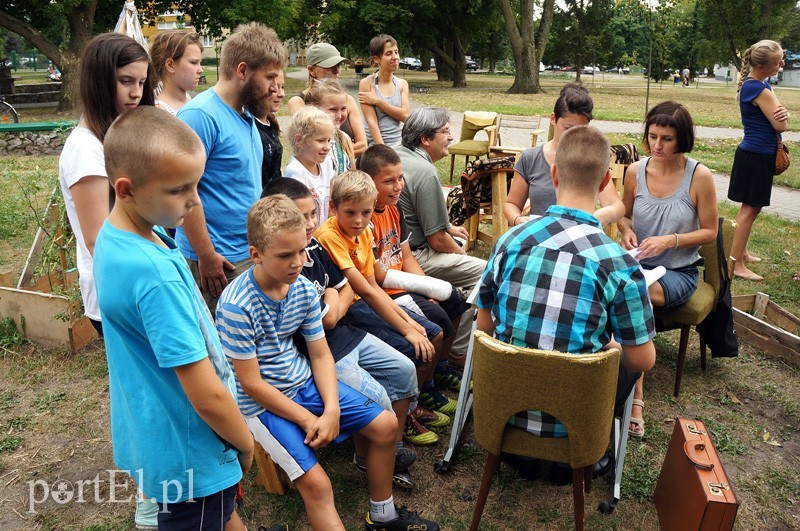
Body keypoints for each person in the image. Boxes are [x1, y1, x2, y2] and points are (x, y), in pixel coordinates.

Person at [216, 195, 440, 531]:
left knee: (385, 426)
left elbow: (320, 353)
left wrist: (332, 409)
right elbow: (251, 384)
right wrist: (309, 419)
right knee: (318, 486)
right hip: (262, 405)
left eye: (301, 251)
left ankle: (382, 514)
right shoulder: (236, 305)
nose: (297, 263)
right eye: (285, 255)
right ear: (255, 255)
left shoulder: (303, 290)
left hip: (303, 382)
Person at [94, 106, 254, 529]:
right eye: (179, 189)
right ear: (126, 189)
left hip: (154, 431)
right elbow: (207, 395)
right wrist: (245, 443)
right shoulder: (154, 275)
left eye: (197, 184)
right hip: (191, 455)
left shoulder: (117, 237)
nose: (195, 200)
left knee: (224, 517)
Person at [477, 125, 656, 482]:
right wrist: (608, 343)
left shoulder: (510, 240)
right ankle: (576, 455)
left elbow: (483, 327)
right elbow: (642, 361)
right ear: (605, 181)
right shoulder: (620, 264)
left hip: (503, 415)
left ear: (554, 173)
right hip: (575, 431)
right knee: (624, 355)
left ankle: (523, 452)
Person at [262, 177, 420, 488]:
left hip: (346, 334)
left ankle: (391, 447)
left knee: (404, 370)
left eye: (312, 214)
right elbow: (328, 318)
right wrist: (334, 302)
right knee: (376, 397)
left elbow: (342, 291)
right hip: (323, 352)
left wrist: (334, 301)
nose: (311, 223)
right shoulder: (287, 265)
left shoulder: (313, 247)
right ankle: (369, 455)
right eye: (301, 217)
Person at [314, 171, 458, 437]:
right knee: (413, 349)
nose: (359, 220)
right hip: (349, 310)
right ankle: (405, 415)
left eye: (366, 213)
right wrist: (407, 330)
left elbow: (373, 286)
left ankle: (416, 401)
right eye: (350, 213)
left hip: (366, 301)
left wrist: (411, 323)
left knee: (430, 333)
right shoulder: (329, 236)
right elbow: (365, 291)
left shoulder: (364, 231)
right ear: (333, 207)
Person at [618, 101, 718, 437]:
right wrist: (625, 229)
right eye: (652, 136)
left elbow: (710, 232)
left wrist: (670, 241)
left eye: (667, 139)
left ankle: (635, 396)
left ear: (682, 139)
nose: (657, 145)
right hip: (638, 263)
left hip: (678, 272)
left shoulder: (699, 176)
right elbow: (623, 215)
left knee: (633, 293)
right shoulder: (635, 171)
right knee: (623, 287)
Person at [176, 23, 286, 312]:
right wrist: (206, 255)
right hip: (219, 262)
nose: (274, 88)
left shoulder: (248, 113)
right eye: (269, 77)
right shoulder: (200, 116)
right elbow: (182, 191)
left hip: (247, 252)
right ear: (243, 71)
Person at [58, 33, 155, 336]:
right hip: (119, 291)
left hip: (138, 282)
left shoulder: (115, 136)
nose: (136, 93)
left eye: (142, 82)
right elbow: (98, 239)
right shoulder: (85, 149)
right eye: (126, 81)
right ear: (98, 81)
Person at [360, 144, 470, 393]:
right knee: (437, 320)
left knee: (456, 301)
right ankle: (426, 388)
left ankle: (441, 367)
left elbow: (407, 257)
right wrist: (422, 289)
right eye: (389, 181)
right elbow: (379, 276)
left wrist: (428, 289)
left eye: (400, 178)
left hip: (402, 281)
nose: (398, 186)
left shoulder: (395, 207)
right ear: (368, 181)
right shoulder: (364, 218)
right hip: (387, 291)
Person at [396, 107, 487, 367]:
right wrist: (462, 255)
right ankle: (458, 353)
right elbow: (436, 241)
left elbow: (420, 218)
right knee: (486, 273)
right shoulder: (425, 171)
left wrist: (447, 227)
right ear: (425, 139)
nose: (451, 137)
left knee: (457, 242)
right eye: (445, 131)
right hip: (412, 256)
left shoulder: (396, 154)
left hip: (395, 249)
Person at [503, 83, 624, 228]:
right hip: (541, 234)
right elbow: (512, 203)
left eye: (581, 129)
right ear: (553, 118)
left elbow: (617, 206)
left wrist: (604, 214)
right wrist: (518, 220)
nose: (573, 135)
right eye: (568, 128)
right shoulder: (531, 158)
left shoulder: (589, 158)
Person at [728, 39, 790, 281]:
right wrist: (785, 116)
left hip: (752, 154)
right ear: (762, 66)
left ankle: (741, 252)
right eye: (778, 62)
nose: (782, 64)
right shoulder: (759, 89)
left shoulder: (756, 84)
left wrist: (784, 113)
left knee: (750, 208)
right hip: (757, 155)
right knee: (750, 210)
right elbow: (780, 124)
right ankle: (736, 264)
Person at [287, 42, 368, 157]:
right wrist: (346, 149)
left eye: (338, 65)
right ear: (311, 70)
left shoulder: (348, 100)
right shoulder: (299, 101)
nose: (336, 71)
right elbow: (306, 147)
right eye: (330, 66)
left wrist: (331, 155)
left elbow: (363, 145)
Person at [284, 106, 336, 221]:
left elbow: (330, 204)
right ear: (299, 140)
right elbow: (296, 215)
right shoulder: (295, 172)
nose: (327, 147)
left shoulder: (326, 163)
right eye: (321, 140)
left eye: (329, 140)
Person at [358, 34, 410, 147]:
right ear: (376, 59)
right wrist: (383, 151)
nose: (395, 57)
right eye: (388, 53)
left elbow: (405, 116)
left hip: (399, 143)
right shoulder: (367, 84)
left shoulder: (402, 84)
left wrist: (378, 101)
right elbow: (372, 122)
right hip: (376, 145)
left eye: (396, 52)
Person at [305, 79, 355, 175]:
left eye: (343, 108)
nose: (339, 115)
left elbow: (353, 174)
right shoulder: (309, 141)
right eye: (333, 109)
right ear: (315, 108)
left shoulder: (345, 138)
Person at [149, 30, 204, 115]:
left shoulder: (187, 98)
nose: (200, 70)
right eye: (193, 62)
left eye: (200, 63)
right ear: (170, 65)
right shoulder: (159, 113)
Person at [256, 70, 285, 191]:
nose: (281, 94)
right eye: (276, 87)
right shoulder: (252, 127)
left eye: (282, 87)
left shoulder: (270, 123)